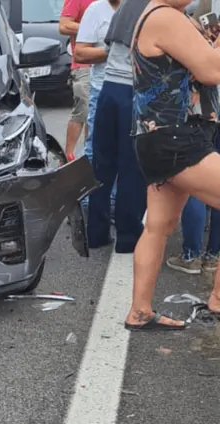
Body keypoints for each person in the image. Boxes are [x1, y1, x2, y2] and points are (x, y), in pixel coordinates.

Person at [125, 0, 220, 331]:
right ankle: (219, 300)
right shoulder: (165, 17)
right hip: (176, 140)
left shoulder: (168, 15)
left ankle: (139, 312)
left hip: (164, 139)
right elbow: (211, 71)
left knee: (159, 225)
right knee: (158, 226)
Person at [87, 0, 149, 253]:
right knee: (131, 168)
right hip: (132, 91)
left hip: (108, 89)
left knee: (103, 164)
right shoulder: (153, 9)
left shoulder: (123, 9)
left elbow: (109, 46)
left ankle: (96, 232)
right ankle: (128, 236)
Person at [74, 0, 121, 207]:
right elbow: (80, 53)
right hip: (102, 90)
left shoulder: (141, 7)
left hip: (134, 91)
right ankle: (89, 202)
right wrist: (114, 51)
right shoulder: (96, 10)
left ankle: (113, 201)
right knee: (97, 147)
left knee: (127, 149)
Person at [59, 0, 96, 160]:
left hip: (108, 64)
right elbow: (64, 26)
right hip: (83, 64)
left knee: (96, 112)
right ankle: (68, 157)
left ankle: (90, 153)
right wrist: (93, 28)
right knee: (84, 109)